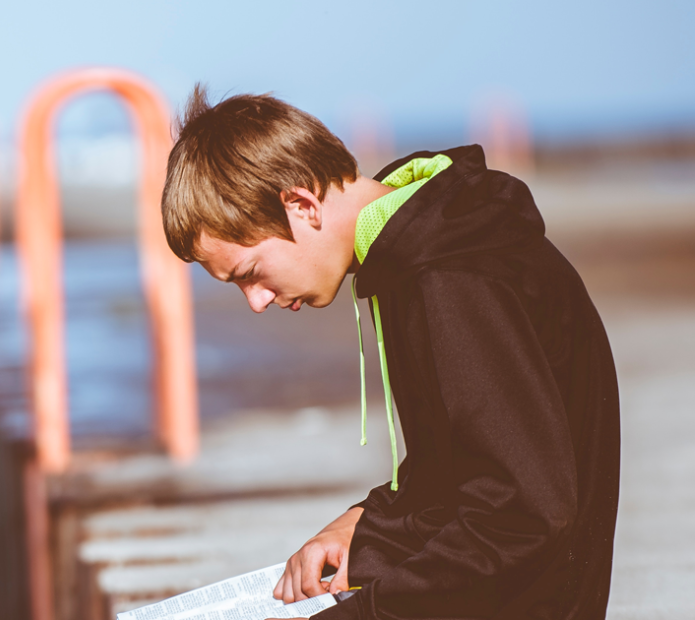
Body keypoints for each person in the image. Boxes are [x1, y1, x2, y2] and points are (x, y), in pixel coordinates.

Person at [160, 86, 620, 620]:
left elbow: (521, 516)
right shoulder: (422, 252)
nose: (257, 302)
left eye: (250, 274)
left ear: (301, 206)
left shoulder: (454, 279)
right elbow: (464, 471)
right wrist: (364, 526)